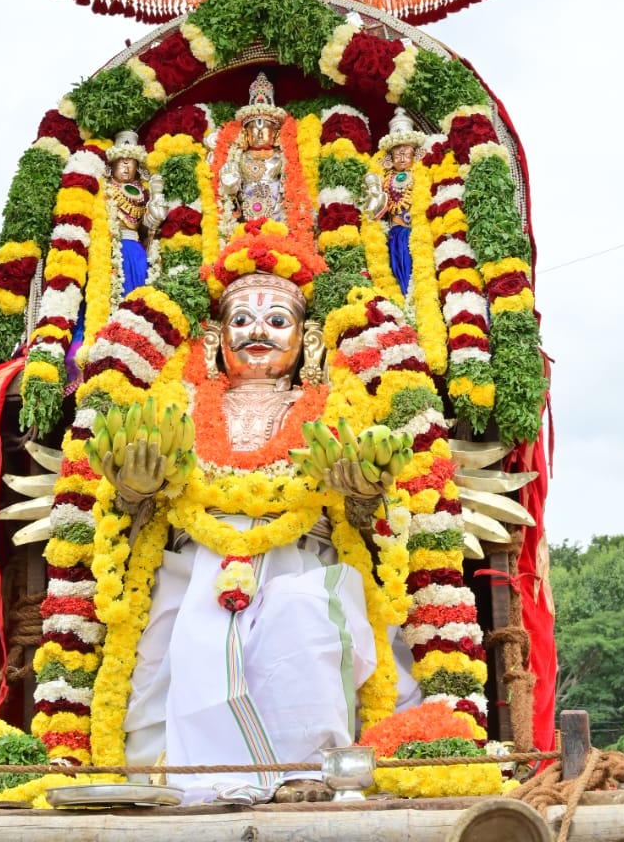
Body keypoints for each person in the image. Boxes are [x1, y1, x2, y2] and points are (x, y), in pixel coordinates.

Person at [101, 270, 415, 802]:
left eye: (276, 320)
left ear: (308, 340)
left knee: (306, 619)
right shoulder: (178, 410)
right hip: (196, 563)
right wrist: (134, 491)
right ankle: (195, 784)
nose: (257, 332)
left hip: (299, 555)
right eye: (241, 320)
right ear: (213, 340)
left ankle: (308, 775)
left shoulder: (334, 410)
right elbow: (134, 514)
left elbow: (372, 523)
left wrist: (362, 494)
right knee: (186, 642)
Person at [65, 129, 167, 388]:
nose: (125, 165)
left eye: (130, 161)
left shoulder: (143, 191)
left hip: (135, 252)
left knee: (136, 303)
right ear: (111, 163)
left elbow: (147, 229)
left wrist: (155, 209)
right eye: (121, 160)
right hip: (106, 251)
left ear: (137, 165)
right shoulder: (103, 187)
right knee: (101, 304)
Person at [219, 73, 287, 229]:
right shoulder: (238, 157)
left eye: (266, 129)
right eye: (254, 129)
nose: (260, 134)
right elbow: (229, 195)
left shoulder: (284, 157)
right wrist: (230, 184)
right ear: (245, 134)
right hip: (245, 223)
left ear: (276, 134)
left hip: (278, 221)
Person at [374, 110, 425, 296]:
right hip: (394, 235)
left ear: (416, 155)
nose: (402, 158)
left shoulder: (422, 175)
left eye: (406, 153)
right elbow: (376, 211)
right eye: (397, 154)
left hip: (418, 233)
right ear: (389, 158)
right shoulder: (384, 178)